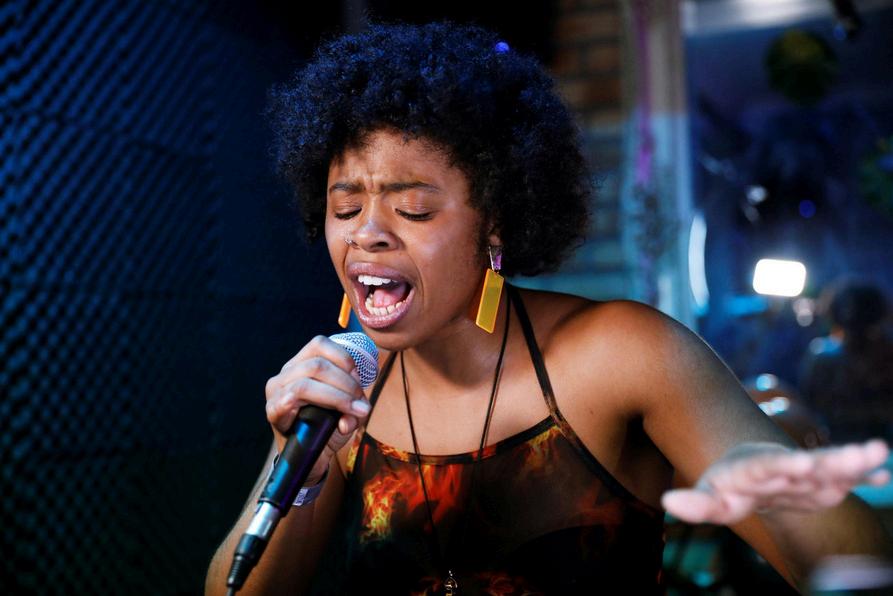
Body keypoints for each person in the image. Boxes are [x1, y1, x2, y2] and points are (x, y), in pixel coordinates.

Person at [206, 22, 893, 595]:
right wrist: (295, 469)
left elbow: (852, 561)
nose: (367, 233)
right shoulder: (340, 389)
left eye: (411, 208)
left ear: (496, 221)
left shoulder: (624, 353)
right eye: (345, 207)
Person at [800, 279, 893, 444]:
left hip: (843, 444)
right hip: (849, 443)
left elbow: (811, 404)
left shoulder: (821, 354)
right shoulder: (822, 355)